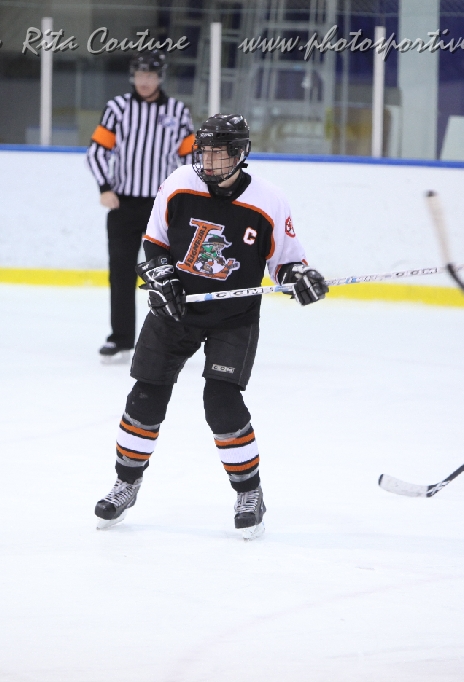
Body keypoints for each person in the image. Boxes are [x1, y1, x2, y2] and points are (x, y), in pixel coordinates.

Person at [93, 113, 328, 539]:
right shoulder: (180, 182)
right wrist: (161, 278)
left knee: (221, 402)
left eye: (219, 153)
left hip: (233, 316)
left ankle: (249, 493)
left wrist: (300, 278)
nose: (208, 160)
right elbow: (154, 243)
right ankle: (126, 484)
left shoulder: (268, 200)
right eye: (204, 152)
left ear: (240, 154)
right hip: (176, 309)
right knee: (146, 394)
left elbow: (286, 262)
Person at [86, 49, 196, 362]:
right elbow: (96, 151)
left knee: (168, 274)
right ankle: (121, 338)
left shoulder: (177, 111)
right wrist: (105, 187)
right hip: (123, 206)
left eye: (150, 75)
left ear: (160, 77)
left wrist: (183, 197)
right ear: (132, 77)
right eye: (139, 75)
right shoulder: (117, 108)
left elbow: (190, 158)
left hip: (161, 209)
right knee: (121, 273)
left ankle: (172, 337)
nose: (144, 81)